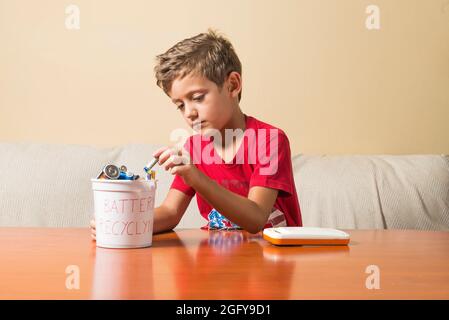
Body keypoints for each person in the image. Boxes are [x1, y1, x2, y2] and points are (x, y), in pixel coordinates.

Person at [91, 29, 302, 240]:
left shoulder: (269, 140)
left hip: (273, 262)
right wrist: (123, 222)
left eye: (198, 98)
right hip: (222, 261)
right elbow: (171, 213)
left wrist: (196, 177)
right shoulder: (194, 148)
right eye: (180, 105)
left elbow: (256, 218)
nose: (190, 113)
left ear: (232, 85)